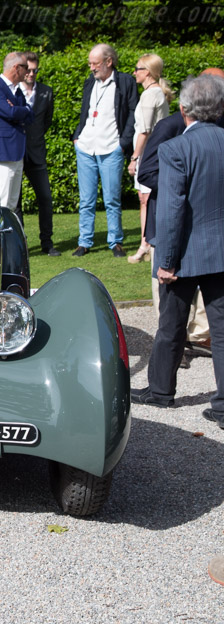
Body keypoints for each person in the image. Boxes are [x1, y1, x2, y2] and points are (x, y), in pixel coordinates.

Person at [131, 75, 224, 422]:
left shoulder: (176, 148)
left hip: (183, 254)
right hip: (221, 253)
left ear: (184, 110)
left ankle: (160, 392)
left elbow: (171, 211)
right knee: (222, 329)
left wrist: (165, 263)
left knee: (171, 325)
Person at [71, 43, 139, 258]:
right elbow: (86, 111)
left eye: (95, 63)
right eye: (90, 63)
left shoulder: (125, 82)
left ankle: (115, 241)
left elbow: (133, 113)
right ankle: (84, 241)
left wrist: (123, 143)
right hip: (86, 147)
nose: (91, 67)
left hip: (111, 147)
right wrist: (77, 136)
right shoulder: (90, 82)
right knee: (86, 199)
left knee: (112, 199)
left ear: (109, 62)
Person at [127, 54, 172, 264]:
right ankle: (146, 242)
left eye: (138, 68)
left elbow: (144, 131)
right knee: (145, 198)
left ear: (147, 71)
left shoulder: (149, 95)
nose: (134, 72)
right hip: (153, 151)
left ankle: (146, 243)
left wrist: (135, 158)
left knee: (145, 199)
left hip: (149, 152)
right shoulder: (155, 93)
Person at [18, 51, 57, 256]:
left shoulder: (46, 92)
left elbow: (46, 122)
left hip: (37, 151)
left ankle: (47, 243)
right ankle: (20, 246)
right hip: (16, 152)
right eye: (29, 70)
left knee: (45, 197)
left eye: (35, 70)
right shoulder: (12, 91)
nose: (32, 74)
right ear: (22, 69)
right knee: (15, 202)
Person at [0, 52, 33, 210]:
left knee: (12, 202)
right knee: (3, 201)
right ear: (16, 68)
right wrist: (21, 110)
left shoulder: (17, 91)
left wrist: (19, 110)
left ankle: (8, 234)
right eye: (26, 68)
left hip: (17, 151)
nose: (28, 72)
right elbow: (10, 113)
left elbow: (30, 115)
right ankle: (0, 234)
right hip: (5, 151)